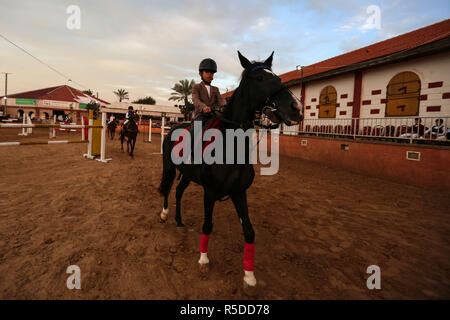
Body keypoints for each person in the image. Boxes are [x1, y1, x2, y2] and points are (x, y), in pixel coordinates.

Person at [192, 58, 226, 125]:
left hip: (214, 115)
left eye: (212, 73)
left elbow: (221, 100)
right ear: (201, 74)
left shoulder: (216, 89)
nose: (210, 74)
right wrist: (203, 107)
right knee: (196, 130)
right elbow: (196, 100)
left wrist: (226, 105)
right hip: (200, 115)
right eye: (207, 72)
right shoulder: (196, 87)